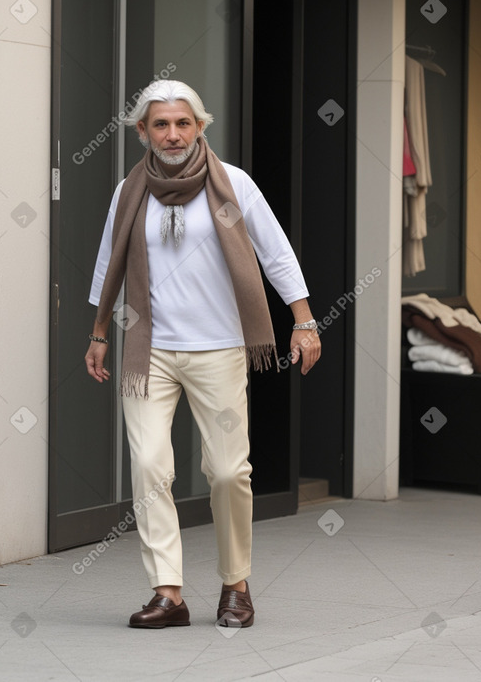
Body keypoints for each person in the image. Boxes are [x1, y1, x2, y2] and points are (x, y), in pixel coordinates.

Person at [85, 80, 321, 629]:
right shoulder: (130, 190)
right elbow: (107, 264)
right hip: (150, 352)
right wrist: (99, 332)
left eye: (183, 123)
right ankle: (168, 592)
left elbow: (276, 253)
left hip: (218, 348)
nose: (173, 135)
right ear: (142, 131)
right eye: (160, 124)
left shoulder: (232, 183)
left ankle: (235, 585)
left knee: (227, 472)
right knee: (148, 468)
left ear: (200, 128)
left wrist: (304, 322)